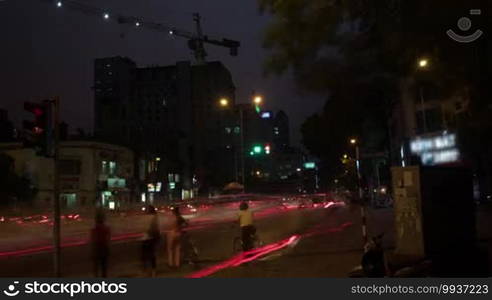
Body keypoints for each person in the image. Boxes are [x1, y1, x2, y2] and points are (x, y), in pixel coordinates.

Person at [90, 209, 111, 277]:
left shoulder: (94, 229)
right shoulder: (106, 228)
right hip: (104, 249)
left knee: (96, 268)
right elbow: (108, 239)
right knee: (104, 268)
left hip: (96, 249)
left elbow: (93, 239)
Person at [141, 205, 160, 277]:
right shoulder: (154, 217)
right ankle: (152, 271)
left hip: (149, 238)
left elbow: (152, 229)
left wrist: (147, 232)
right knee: (151, 255)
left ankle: (149, 271)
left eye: (146, 209)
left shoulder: (151, 218)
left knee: (147, 256)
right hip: (150, 238)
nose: (145, 211)